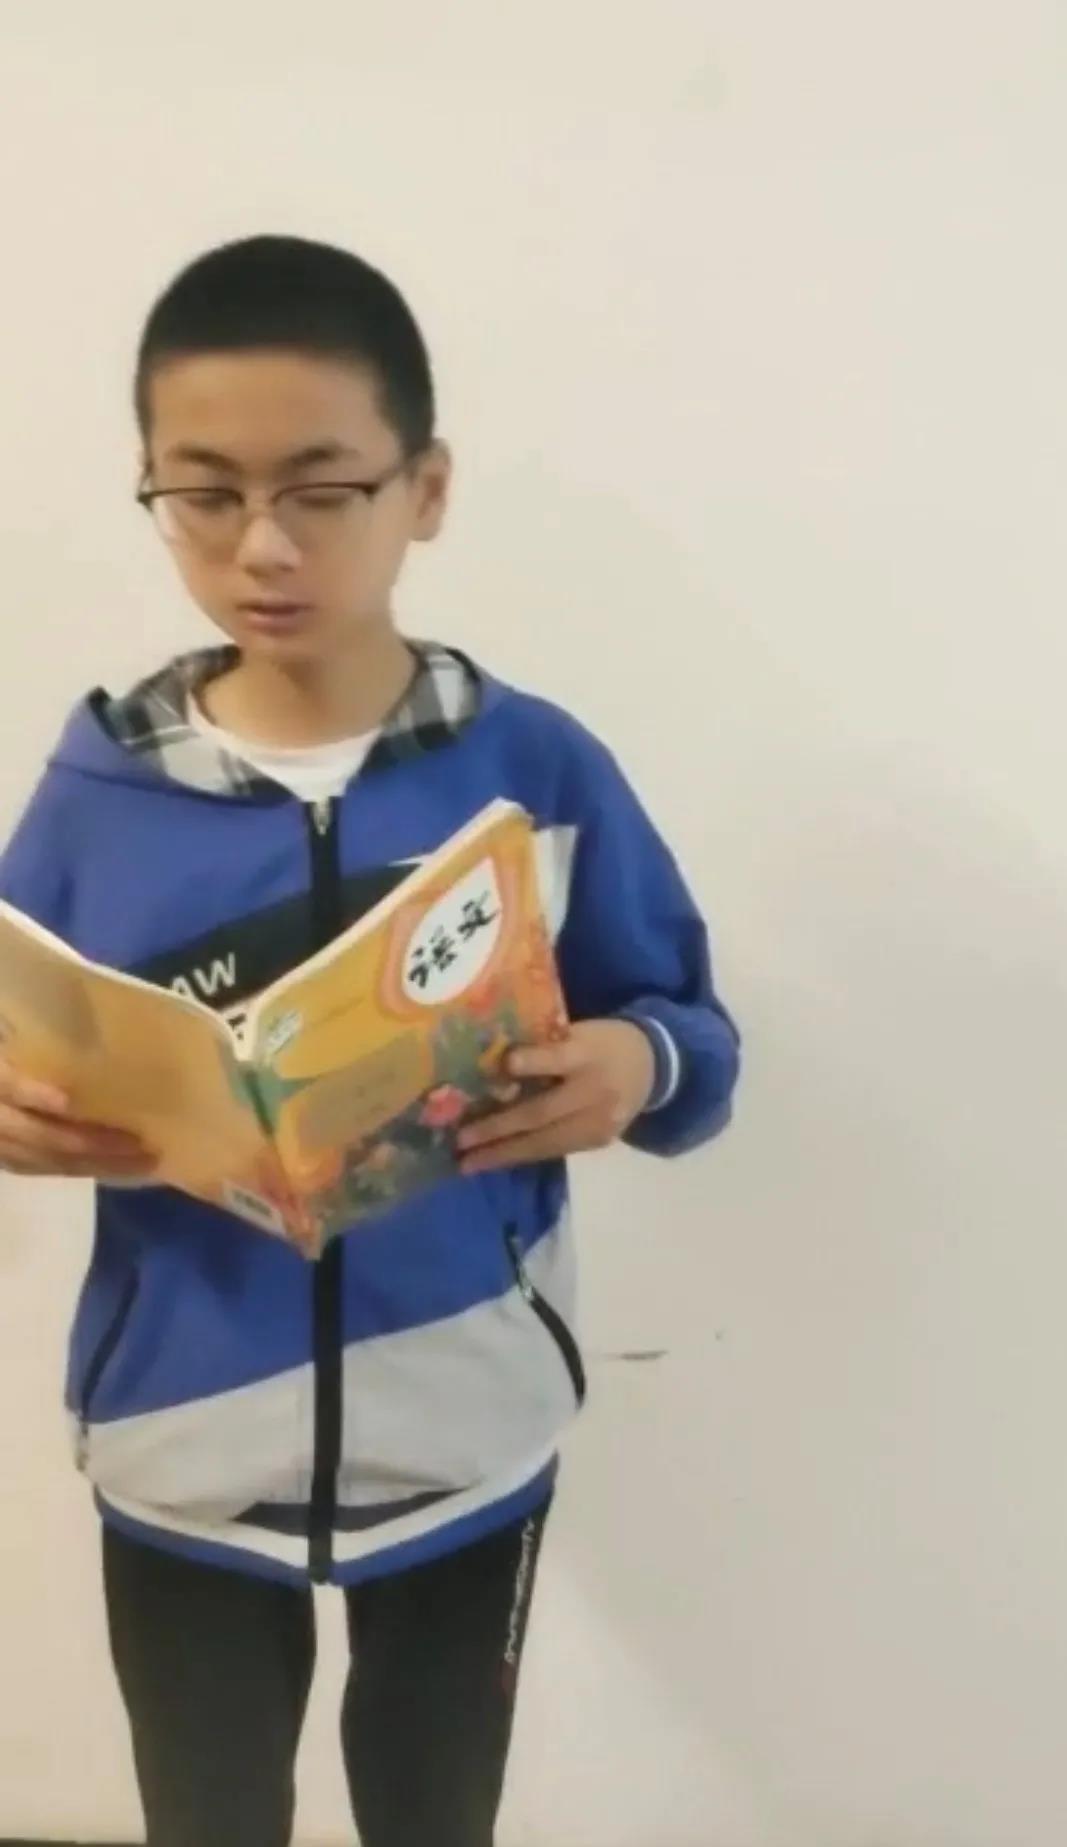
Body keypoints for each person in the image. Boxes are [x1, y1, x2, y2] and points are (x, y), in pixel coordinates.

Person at [0, 235, 740, 1847]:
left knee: (434, 1817)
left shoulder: (534, 771)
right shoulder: (93, 799)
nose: (261, 546)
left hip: (468, 1433)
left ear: (427, 489)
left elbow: (693, 1041)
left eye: (322, 490)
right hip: (180, 1445)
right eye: (203, 495)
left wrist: (635, 1069)